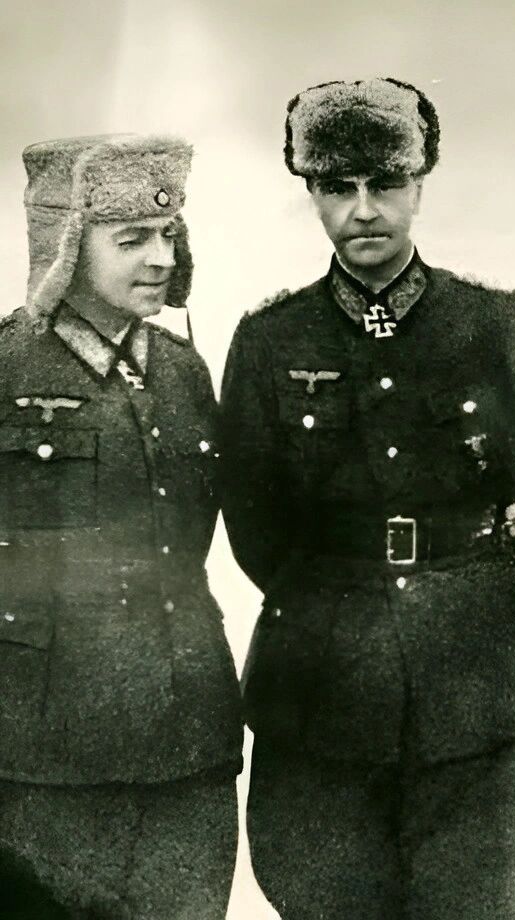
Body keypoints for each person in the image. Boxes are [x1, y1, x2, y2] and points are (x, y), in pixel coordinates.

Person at [219, 77, 515, 920]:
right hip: (322, 693)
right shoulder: (270, 339)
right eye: (338, 187)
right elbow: (255, 525)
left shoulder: (493, 323)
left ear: (420, 184)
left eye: (386, 183)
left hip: (479, 689)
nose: (364, 209)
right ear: (311, 193)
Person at [0, 134, 242, 918]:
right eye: (131, 239)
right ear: (66, 246)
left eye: (168, 234)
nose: (161, 258)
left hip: (189, 749)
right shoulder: (7, 369)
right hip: (45, 759)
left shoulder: (183, 371)